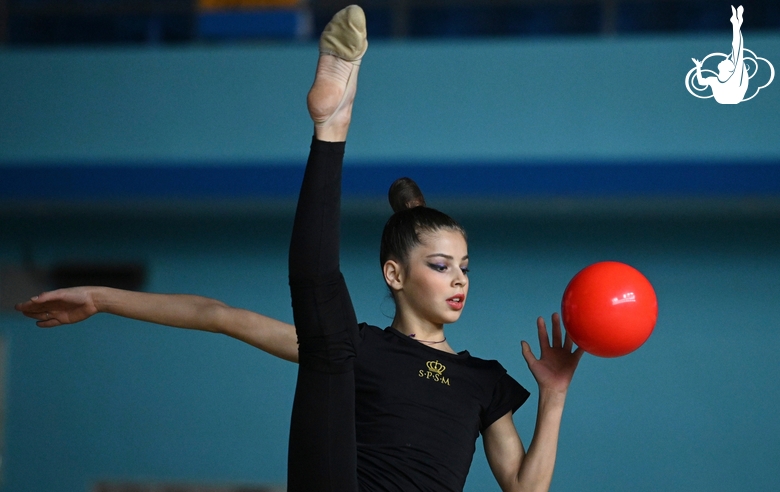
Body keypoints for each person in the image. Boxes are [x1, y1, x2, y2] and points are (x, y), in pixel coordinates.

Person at [17, 5, 583, 491]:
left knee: (330, 341)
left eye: (463, 267)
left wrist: (553, 394)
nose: (459, 279)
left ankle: (334, 124)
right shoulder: (359, 348)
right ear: (395, 273)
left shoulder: (483, 380)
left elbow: (522, 486)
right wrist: (100, 296)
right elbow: (218, 316)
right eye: (440, 265)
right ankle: (331, 126)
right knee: (329, 340)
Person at [692, 5, 748, 104]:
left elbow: (737, 49)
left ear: (730, 69)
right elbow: (701, 82)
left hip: (733, 97)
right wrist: (698, 67)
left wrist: (736, 26)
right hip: (726, 99)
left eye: (728, 61)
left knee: (737, 51)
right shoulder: (714, 80)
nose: (725, 59)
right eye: (728, 60)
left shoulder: (735, 77)